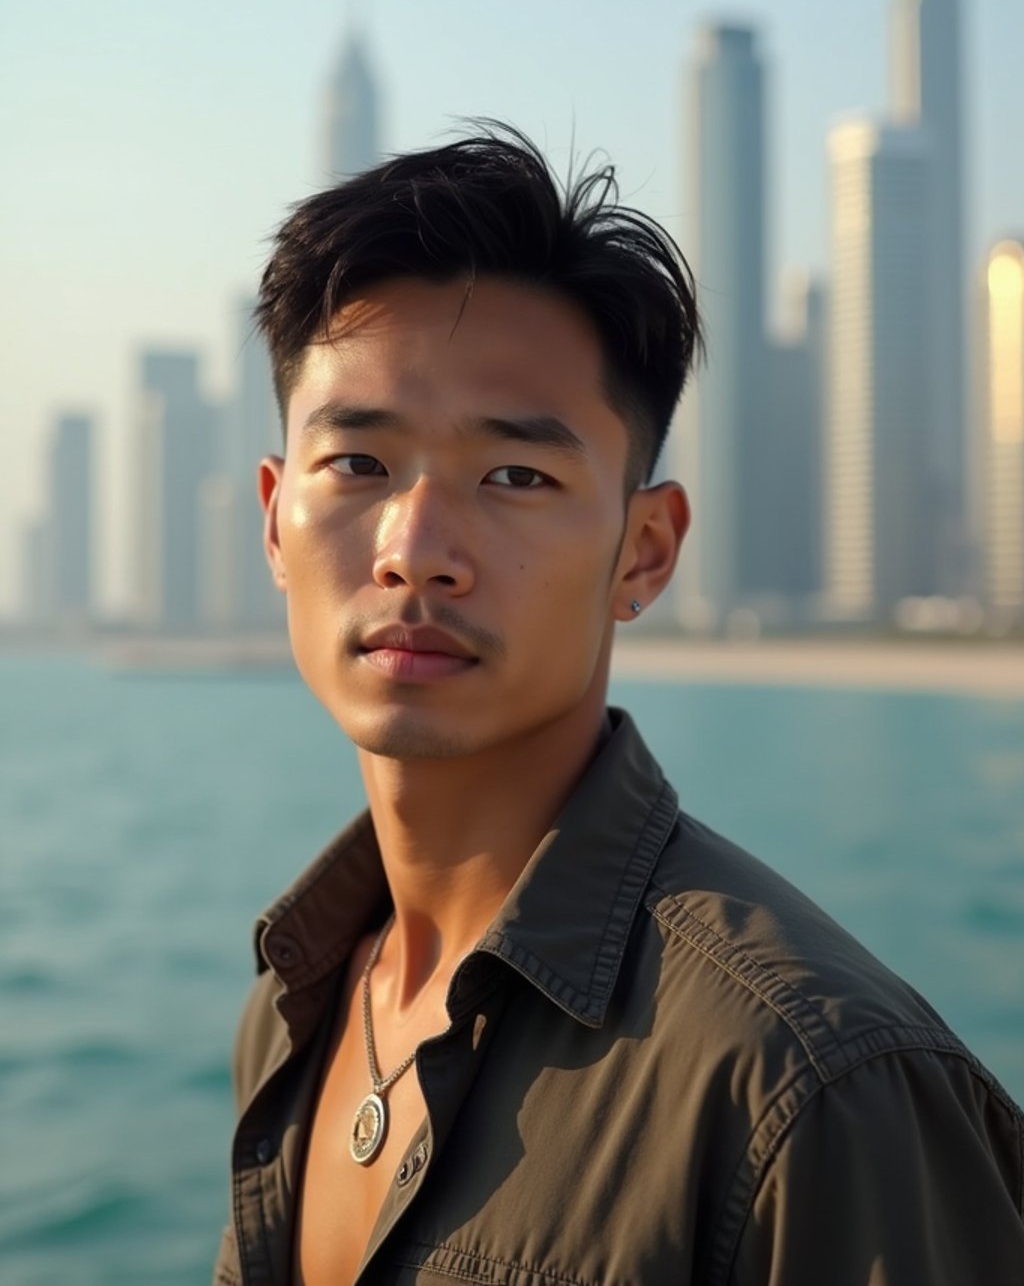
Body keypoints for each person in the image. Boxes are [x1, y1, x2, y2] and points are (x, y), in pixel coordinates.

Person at [213, 125, 1024, 1286]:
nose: (417, 552)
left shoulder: (809, 1084)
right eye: (359, 466)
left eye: (515, 477)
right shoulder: (292, 1007)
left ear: (644, 552)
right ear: (274, 518)